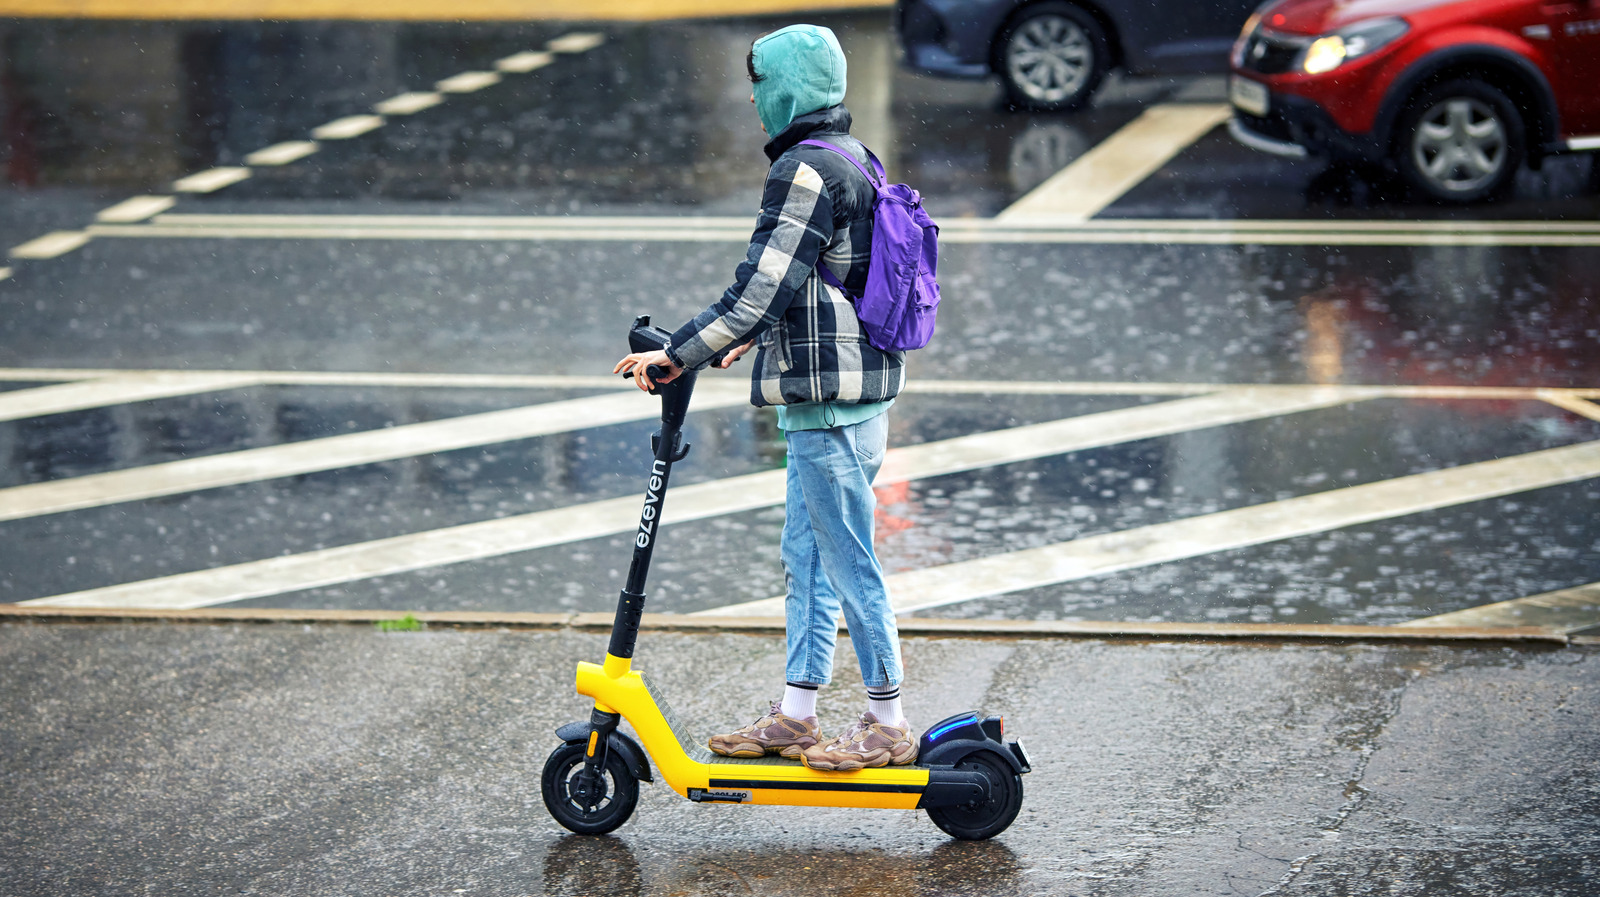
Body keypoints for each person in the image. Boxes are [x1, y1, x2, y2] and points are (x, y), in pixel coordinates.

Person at [612, 24, 914, 772]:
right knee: (808, 560)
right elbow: (815, 279)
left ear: (787, 90)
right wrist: (750, 337)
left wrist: (675, 355)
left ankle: (887, 720)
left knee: (847, 563)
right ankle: (797, 714)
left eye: (759, 84)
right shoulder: (852, 156)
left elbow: (756, 291)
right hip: (849, 393)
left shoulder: (805, 171)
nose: (753, 99)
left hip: (832, 406)